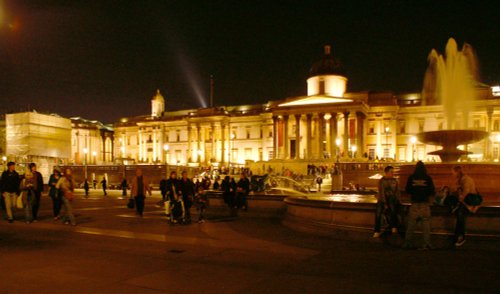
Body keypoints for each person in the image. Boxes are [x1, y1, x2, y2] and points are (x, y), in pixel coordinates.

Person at [403, 161, 435, 250]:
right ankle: (426, 244)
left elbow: (407, 190)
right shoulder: (428, 178)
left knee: (411, 225)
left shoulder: (411, 177)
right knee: (426, 226)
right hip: (425, 204)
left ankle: (407, 243)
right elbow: (432, 191)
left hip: (414, 204)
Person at [451, 165, 480, 247]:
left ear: (457, 172)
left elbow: (466, 191)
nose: (452, 174)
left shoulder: (465, 179)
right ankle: (457, 236)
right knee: (459, 218)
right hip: (465, 203)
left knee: (460, 217)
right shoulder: (461, 179)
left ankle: (461, 237)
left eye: (453, 172)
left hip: (468, 203)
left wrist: (459, 200)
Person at [373, 166, 401, 237]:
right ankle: (377, 231)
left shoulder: (395, 180)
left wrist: (398, 200)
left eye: (393, 172)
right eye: (391, 172)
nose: (393, 173)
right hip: (382, 200)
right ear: (386, 172)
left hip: (391, 199)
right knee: (378, 213)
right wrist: (385, 203)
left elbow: (397, 192)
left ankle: (393, 227)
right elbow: (382, 193)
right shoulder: (382, 181)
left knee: (393, 209)